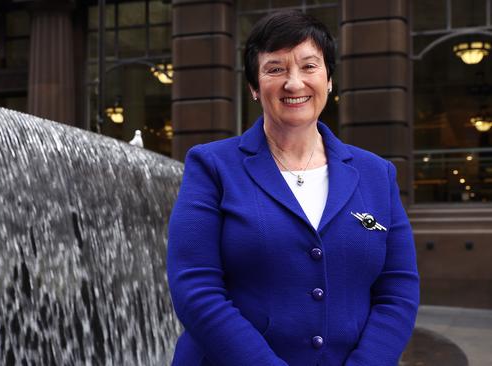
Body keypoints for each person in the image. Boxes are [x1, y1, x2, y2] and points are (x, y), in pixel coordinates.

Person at [167, 9, 420, 366]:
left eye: (309, 66)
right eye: (275, 69)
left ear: (329, 79)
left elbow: (398, 290)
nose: (294, 83)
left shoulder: (377, 174)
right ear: (255, 87)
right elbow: (194, 288)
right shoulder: (211, 166)